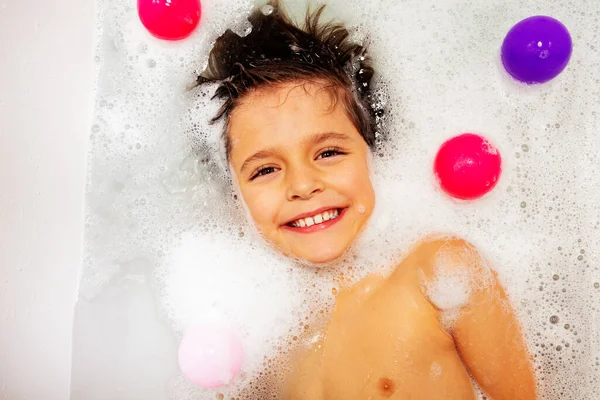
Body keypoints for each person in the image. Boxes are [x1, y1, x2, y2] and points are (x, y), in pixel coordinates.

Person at [195, 1, 537, 398]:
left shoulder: (437, 274)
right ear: (236, 196)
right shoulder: (260, 349)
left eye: (328, 153)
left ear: (375, 158)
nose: (303, 185)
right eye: (265, 170)